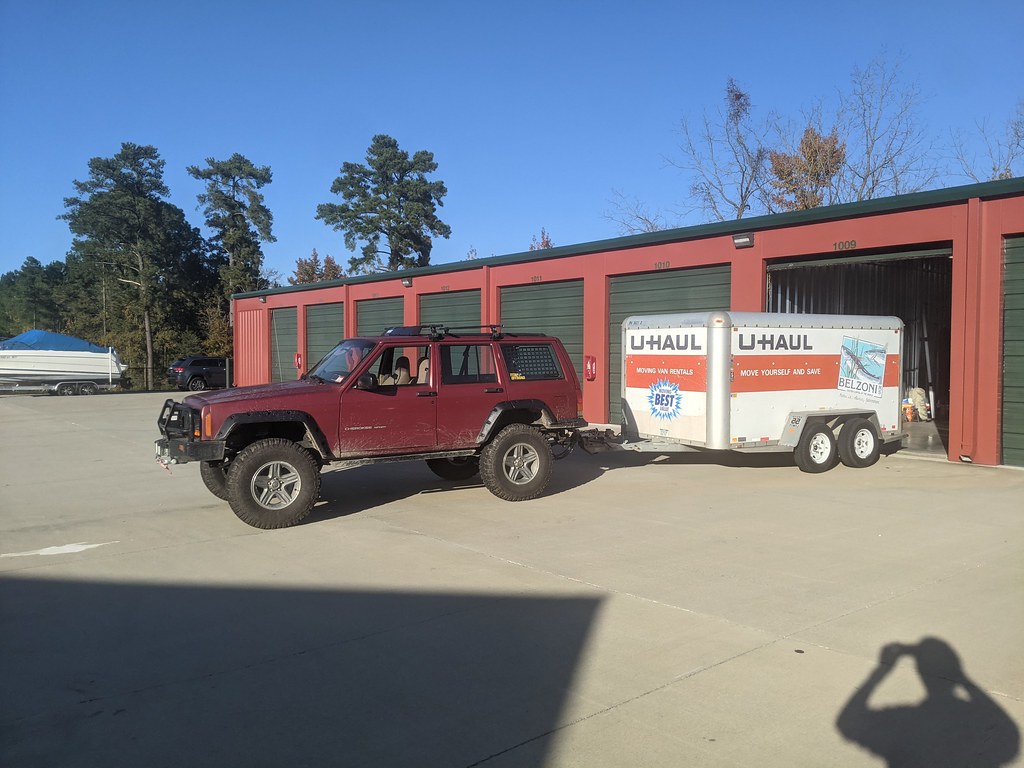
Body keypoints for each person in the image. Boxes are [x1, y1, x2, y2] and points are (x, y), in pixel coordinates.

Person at [837, 638, 1019, 767]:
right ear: (956, 669)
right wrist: (963, 678)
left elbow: (847, 722)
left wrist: (882, 670)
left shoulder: (902, 721)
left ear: (918, 671)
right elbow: (1007, 731)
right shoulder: (982, 725)